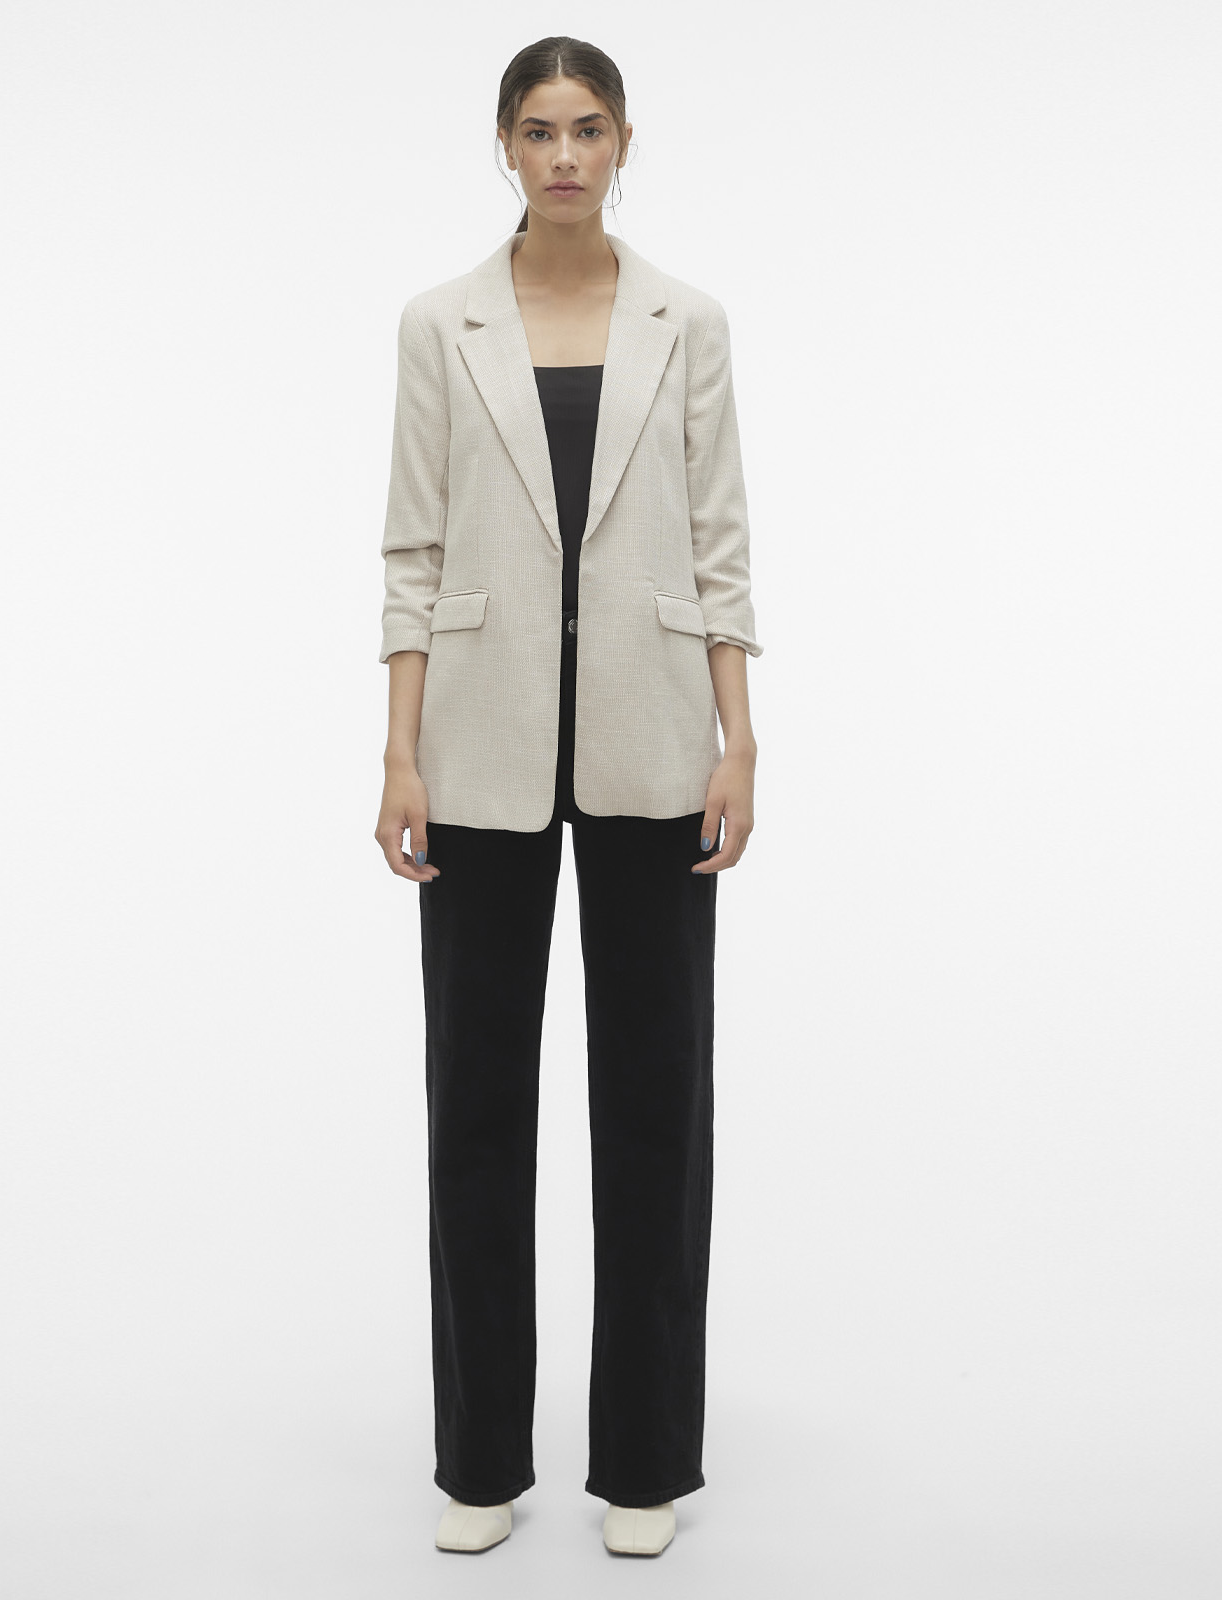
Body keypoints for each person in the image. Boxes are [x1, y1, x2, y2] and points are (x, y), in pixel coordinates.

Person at [373, 36, 763, 1558]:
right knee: (475, 1107)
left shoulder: (688, 322)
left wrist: (740, 738)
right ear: (503, 146)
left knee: (657, 1106)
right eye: (537, 131)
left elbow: (721, 544)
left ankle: (645, 1461)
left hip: (655, 746)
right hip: (479, 752)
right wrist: (399, 751)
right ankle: (481, 1461)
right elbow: (413, 552)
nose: (563, 156)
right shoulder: (440, 324)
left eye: (587, 129)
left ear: (623, 143)